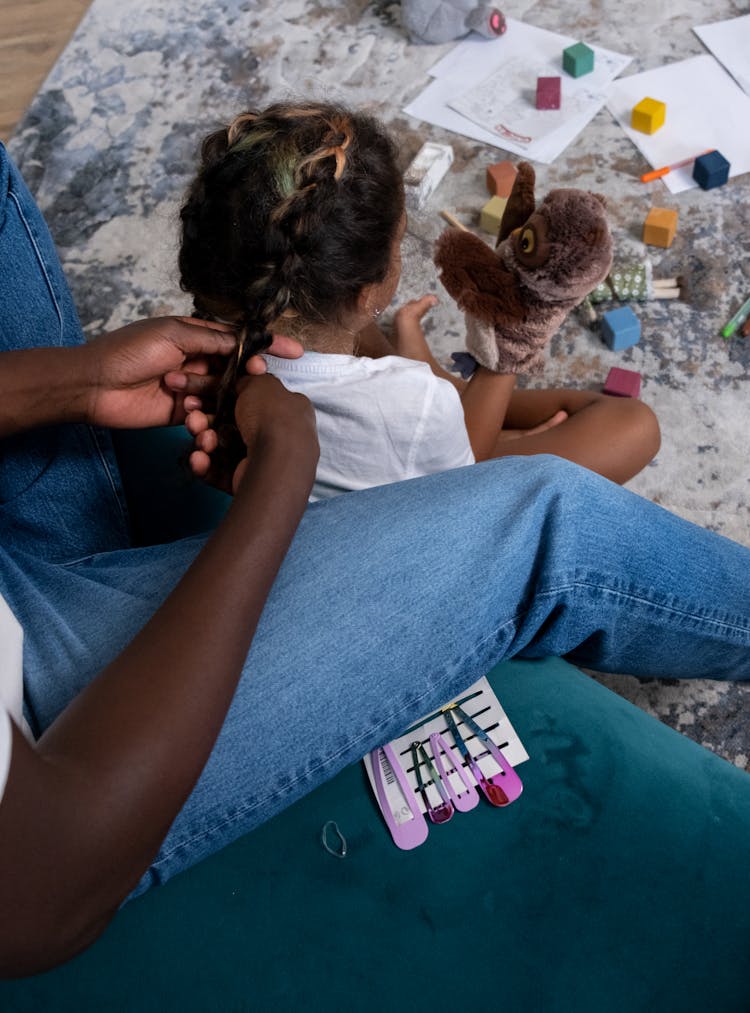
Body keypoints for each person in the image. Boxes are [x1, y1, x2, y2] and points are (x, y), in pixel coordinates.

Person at [1, 139, 749, 980]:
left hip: (26, 588)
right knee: (552, 510)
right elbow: (36, 892)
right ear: (370, 284)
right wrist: (281, 482)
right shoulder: (377, 404)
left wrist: (66, 381)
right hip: (48, 727)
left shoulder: (302, 376)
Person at [177, 101, 660, 499]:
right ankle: (472, 408)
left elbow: (372, 370)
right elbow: (460, 475)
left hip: (393, 447)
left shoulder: (208, 345)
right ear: (368, 292)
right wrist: (506, 355)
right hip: (424, 509)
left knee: (451, 401)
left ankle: (462, 401)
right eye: (399, 239)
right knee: (634, 424)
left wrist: (415, 365)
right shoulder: (412, 402)